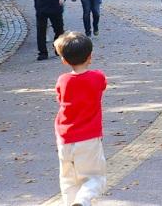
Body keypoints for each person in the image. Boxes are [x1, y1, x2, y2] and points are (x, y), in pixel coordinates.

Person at [53, 32, 107, 206]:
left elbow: (60, 99)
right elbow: (102, 84)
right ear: (90, 57)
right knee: (95, 178)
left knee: (68, 181)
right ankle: (83, 201)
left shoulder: (62, 80)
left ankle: (72, 203)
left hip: (65, 138)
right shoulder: (97, 77)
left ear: (64, 60)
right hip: (89, 137)